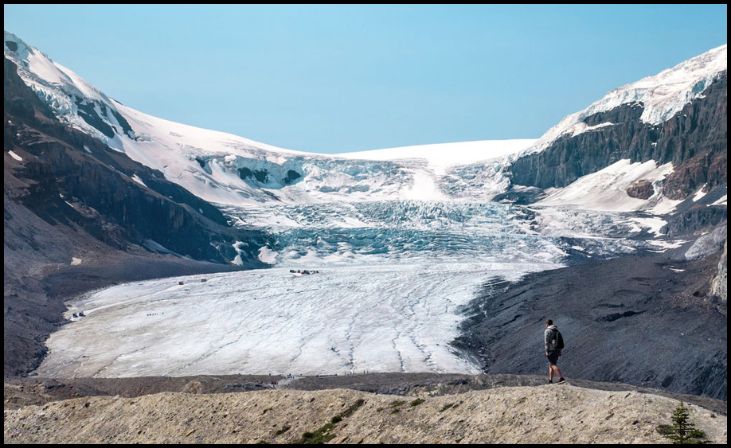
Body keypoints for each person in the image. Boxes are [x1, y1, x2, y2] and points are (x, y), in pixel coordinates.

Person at [544, 319, 565, 384]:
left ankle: (561, 378)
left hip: (551, 349)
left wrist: (546, 351)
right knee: (551, 364)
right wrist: (560, 351)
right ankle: (550, 380)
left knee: (553, 365)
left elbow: (546, 342)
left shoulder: (547, 331)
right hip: (557, 349)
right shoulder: (556, 330)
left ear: (547, 324)